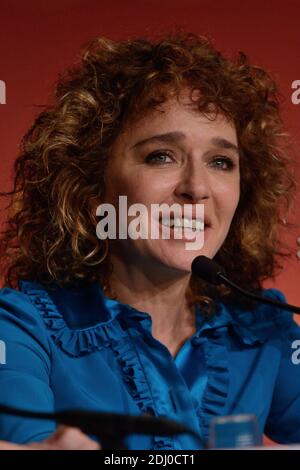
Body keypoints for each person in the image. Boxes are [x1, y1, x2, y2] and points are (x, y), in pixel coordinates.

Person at [0, 31, 299, 451]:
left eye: (221, 162)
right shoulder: (21, 327)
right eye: (161, 155)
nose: (197, 187)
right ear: (92, 189)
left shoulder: (262, 327)